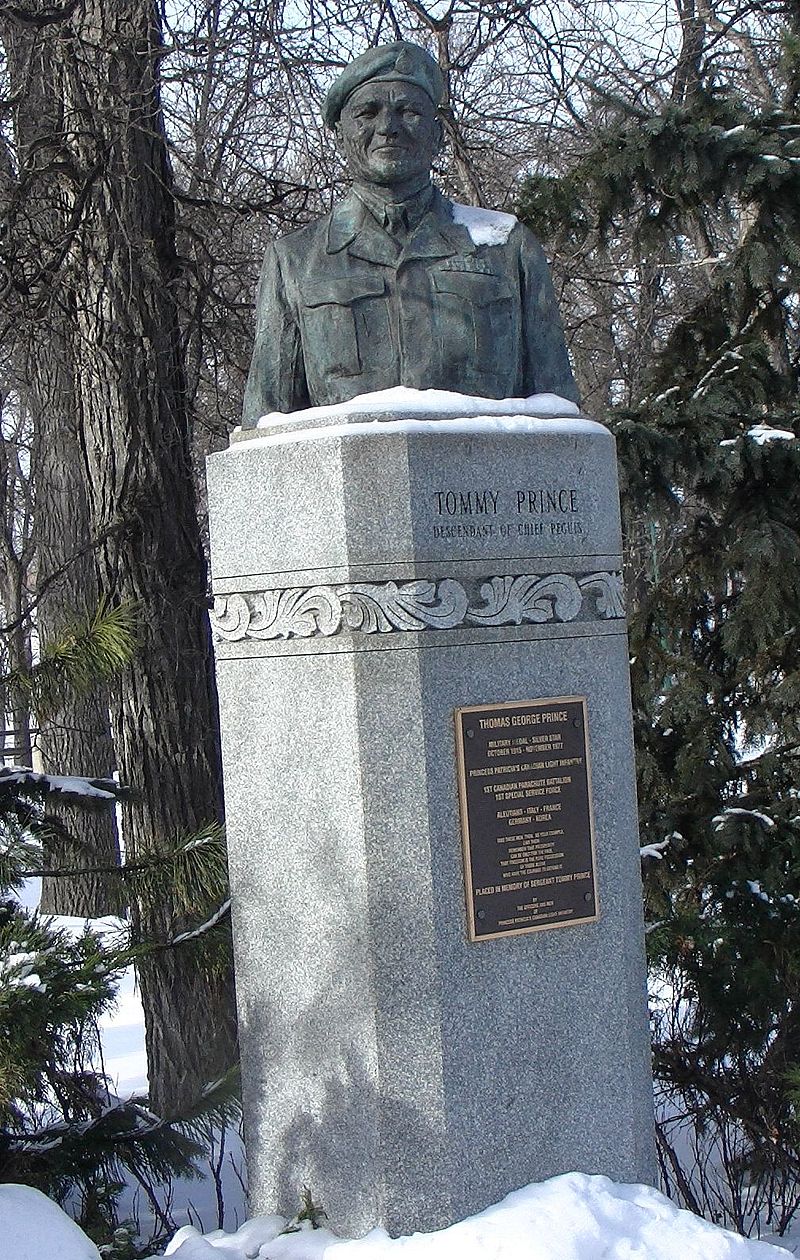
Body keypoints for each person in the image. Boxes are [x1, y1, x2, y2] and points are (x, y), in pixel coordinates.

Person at [242, 41, 578, 425]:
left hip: (483, 478)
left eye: (410, 111)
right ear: (340, 135)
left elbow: (558, 416)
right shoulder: (296, 260)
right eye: (368, 113)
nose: (388, 128)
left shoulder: (506, 247)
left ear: (438, 135)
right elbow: (267, 428)